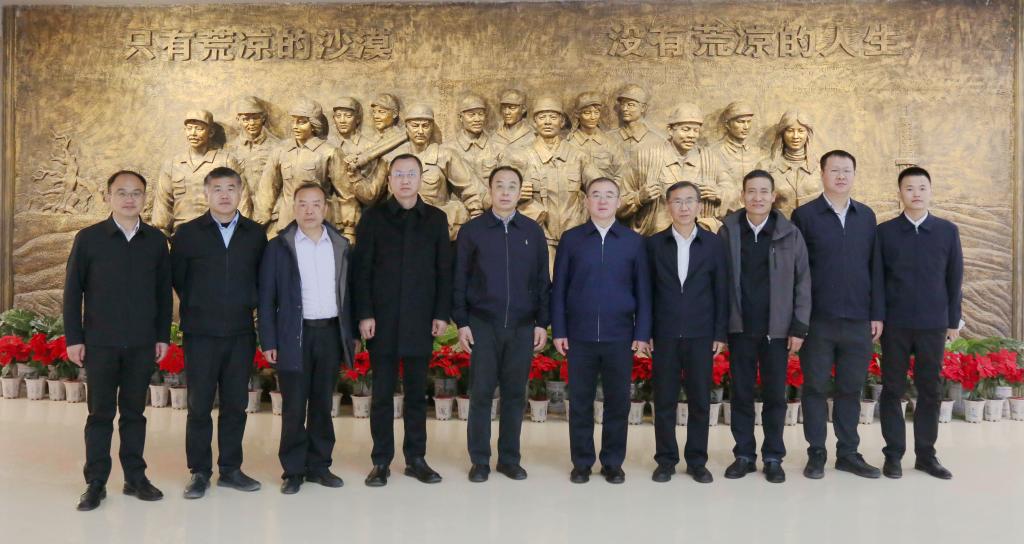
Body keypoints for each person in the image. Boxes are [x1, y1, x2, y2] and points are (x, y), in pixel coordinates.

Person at [63, 170, 172, 511]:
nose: (129, 199)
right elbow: (72, 292)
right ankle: (95, 482)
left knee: (134, 413)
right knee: (100, 414)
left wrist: (162, 336)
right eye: (121, 192)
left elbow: (163, 294)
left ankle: (135, 477)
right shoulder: (89, 238)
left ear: (144, 198)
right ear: (108, 196)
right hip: (100, 342)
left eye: (136, 193)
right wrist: (74, 338)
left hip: (141, 343)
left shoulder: (156, 241)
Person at [353, 154, 453, 487]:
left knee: (415, 394)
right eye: (399, 174)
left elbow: (444, 271)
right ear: (390, 180)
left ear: (420, 178)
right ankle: (381, 461)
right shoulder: (373, 217)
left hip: (420, 320)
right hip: (381, 321)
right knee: (382, 395)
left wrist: (441, 313)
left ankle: (416, 459)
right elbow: (361, 271)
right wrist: (364, 313)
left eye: (411, 174)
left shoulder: (436, 219)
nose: (405, 180)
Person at [170, 166, 267, 499]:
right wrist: (201, 304)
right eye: (217, 189)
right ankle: (199, 472)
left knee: (235, 405)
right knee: (199, 406)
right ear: (206, 193)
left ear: (240, 192)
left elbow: (261, 280)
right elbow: (179, 279)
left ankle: (230, 469)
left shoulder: (255, 234)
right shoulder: (187, 234)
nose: (224, 195)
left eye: (231, 188)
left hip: (240, 333)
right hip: (201, 333)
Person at [258, 182, 357, 495]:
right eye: (302, 204)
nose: (309, 210)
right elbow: (266, 298)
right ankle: (293, 470)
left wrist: (351, 334)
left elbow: (350, 294)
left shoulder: (340, 245)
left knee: (323, 403)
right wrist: (269, 340)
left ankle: (319, 465)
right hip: (294, 335)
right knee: (294, 405)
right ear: (294, 207)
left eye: (316, 204)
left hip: (329, 334)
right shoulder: (279, 247)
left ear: (325, 208)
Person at [550, 177, 651, 485]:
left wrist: (641, 333)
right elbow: (559, 289)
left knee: (618, 403)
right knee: (580, 403)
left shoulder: (633, 242)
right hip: (579, 337)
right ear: (587, 202)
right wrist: (559, 330)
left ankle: (612, 462)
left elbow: (644, 291)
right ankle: (582, 462)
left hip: (620, 336)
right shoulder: (572, 239)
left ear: (618, 202)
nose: (603, 201)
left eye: (609, 195)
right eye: (596, 195)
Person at [791, 150, 885, 480]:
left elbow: (875, 267)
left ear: (854, 175)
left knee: (851, 389)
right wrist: (798, 320)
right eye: (834, 170)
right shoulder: (804, 215)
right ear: (822, 174)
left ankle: (848, 453)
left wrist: (876, 312)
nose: (841, 176)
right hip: (818, 320)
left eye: (847, 170)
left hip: (858, 319)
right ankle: (816, 453)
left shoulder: (866, 216)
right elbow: (796, 271)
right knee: (815, 388)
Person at [454, 165, 550, 483]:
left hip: (522, 326)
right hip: (483, 324)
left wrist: (542, 323)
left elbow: (542, 281)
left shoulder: (532, 232)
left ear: (520, 192)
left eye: (512, 186)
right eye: (500, 185)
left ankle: (509, 459)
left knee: (514, 395)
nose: (506, 192)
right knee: (481, 394)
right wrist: (462, 322)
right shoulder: (473, 231)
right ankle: (480, 460)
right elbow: (459, 279)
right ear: (490, 190)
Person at [719, 170, 811, 484]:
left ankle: (773, 456)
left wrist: (799, 327)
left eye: (763, 192)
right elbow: (719, 281)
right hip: (740, 328)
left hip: (778, 330)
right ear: (742, 195)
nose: (757, 197)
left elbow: (803, 281)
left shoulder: (789, 233)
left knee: (775, 396)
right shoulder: (729, 231)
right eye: (751, 191)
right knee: (741, 394)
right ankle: (744, 455)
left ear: (773, 196)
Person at [877, 166, 962, 480]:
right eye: (909, 188)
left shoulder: (946, 231)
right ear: (900, 193)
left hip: (933, 323)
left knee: (930, 389)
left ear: (930, 191)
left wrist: (952, 320)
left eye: (922, 188)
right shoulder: (885, 232)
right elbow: (877, 279)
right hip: (895, 324)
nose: (916, 194)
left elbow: (954, 279)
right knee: (892, 389)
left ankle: (926, 455)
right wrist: (878, 317)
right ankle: (893, 455)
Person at [646, 181, 728, 484]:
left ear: (699, 206)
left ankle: (697, 461)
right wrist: (646, 332)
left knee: (700, 400)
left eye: (689, 201)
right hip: (664, 334)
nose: (683, 207)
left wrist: (719, 333)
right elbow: (647, 292)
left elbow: (722, 291)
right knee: (664, 400)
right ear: (668, 205)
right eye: (677, 201)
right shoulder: (654, 244)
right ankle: (665, 460)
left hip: (701, 334)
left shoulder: (714, 244)